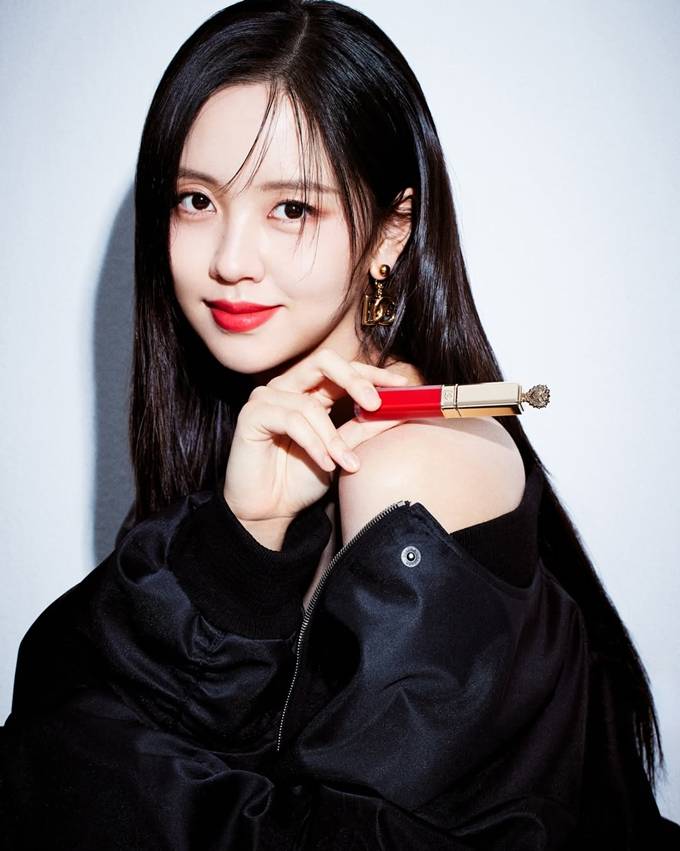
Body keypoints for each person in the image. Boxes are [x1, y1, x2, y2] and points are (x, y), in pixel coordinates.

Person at [1, 1, 678, 848]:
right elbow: (66, 680)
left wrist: (66, 758)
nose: (230, 259)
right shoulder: (264, 445)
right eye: (196, 199)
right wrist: (242, 537)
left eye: (291, 208)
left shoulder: (409, 466)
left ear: (393, 230)